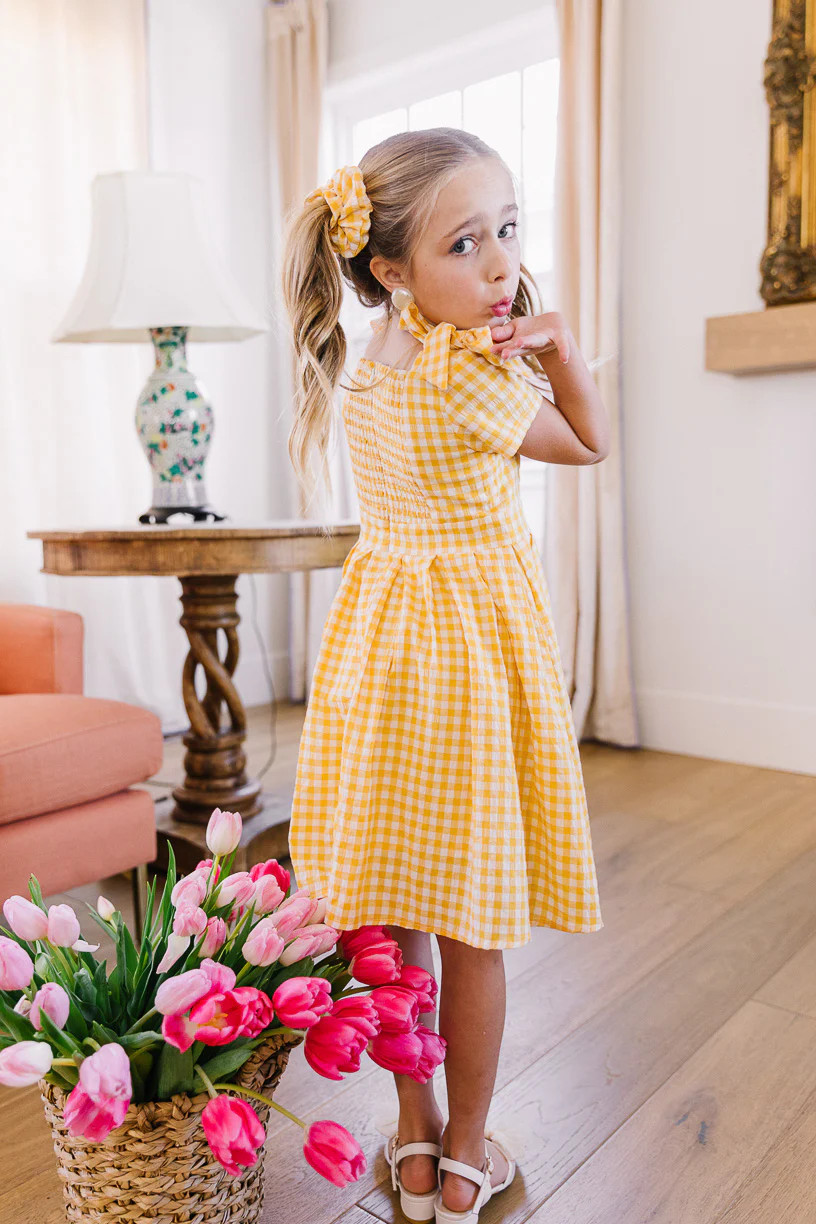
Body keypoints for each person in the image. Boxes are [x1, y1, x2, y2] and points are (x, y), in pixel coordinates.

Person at [279, 127, 609, 1223]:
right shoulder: (473, 371)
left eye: (507, 229)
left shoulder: (368, 369)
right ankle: (468, 1155)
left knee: (394, 903)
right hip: (467, 653)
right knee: (470, 915)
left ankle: (414, 1136)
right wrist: (560, 350)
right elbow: (589, 442)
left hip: (380, 653)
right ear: (390, 269)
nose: (503, 264)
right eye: (466, 244)